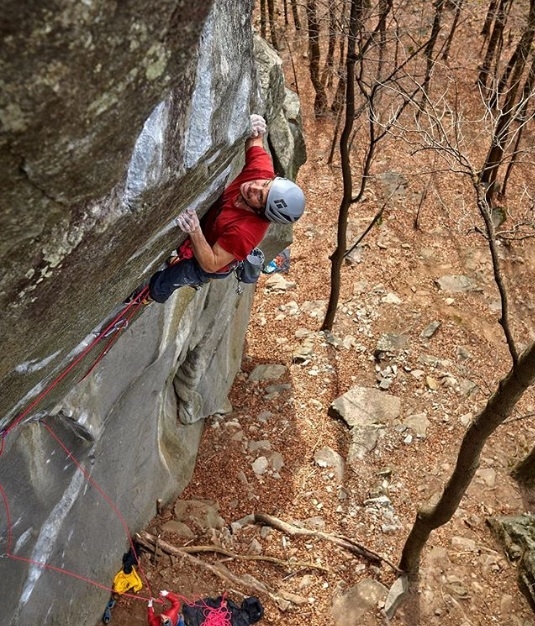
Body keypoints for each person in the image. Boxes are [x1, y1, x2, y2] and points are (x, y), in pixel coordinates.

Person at [145, 114, 305, 304]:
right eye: (265, 185)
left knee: (169, 279)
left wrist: (195, 231)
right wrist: (254, 128)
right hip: (212, 227)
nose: (254, 187)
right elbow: (255, 142)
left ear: (262, 212)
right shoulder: (262, 175)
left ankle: (150, 296)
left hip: (210, 262)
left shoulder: (245, 232)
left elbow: (211, 263)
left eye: (260, 197)